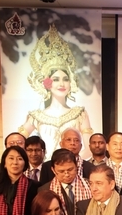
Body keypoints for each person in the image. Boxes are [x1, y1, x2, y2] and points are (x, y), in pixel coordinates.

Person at [18, 25, 93, 160]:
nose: (61, 84)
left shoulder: (79, 114)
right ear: (47, 83)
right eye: (56, 79)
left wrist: (70, 165)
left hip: (71, 170)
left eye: (65, 79)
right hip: (44, 172)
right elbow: (17, 143)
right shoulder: (36, 116)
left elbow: (89, 148)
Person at [39, 149, 92, 215]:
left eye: (70, 169)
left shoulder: (90, 185)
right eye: (61, 171)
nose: (66, 174)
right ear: (53, 170)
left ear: (76, 166)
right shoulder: (44, 190)